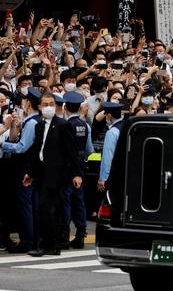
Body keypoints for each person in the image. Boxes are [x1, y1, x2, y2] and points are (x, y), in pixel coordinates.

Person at [22, 92, 82, 256]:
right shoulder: (39, 125)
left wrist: (76, 174)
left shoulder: (63, 125)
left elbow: (72, 151)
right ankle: (51, 244)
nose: (48, 107)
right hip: (42, 173)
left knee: (48, 209)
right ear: (40, 107)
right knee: (44, 209)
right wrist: (30, 173)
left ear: (56, 106)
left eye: (51, 104)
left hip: (56, 174)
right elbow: (38, 150)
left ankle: (49, 245)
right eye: (45, 104)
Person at [0, 87, 41, 253]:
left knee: (26, 204)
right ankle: (32, 238)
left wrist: (3, 144)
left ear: (28, 103)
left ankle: (27, 241)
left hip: (25, 167)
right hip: (31, 166)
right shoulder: (36, 120)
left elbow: (22, 147)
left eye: (24, 100)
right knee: (31, 204)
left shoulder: (32, 122)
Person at [59, 91, 93, 249]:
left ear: (65, 107)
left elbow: (66, 151)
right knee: (79, 202)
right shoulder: (84, 125)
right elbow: (88, 150)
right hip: (80, 167)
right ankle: (80, 234)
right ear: (79, 108)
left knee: (65, 203)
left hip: (67, 170)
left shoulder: (66, 126)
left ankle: (64, 235)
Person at [98, 102, 124, 193]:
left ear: (109, 115)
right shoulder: (126, 127)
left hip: (113, 175)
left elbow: (107, 157)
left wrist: (102, 178)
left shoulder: (112, 132)